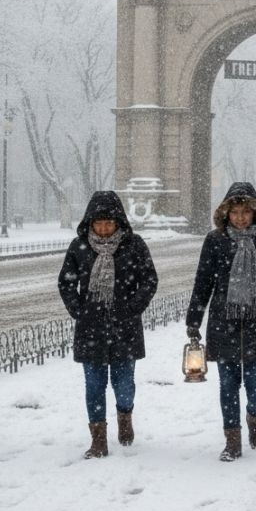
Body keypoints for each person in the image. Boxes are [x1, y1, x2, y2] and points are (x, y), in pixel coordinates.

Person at [186, 182, 256, 462]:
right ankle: (232, 439)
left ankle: (254, 416)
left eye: (246, 211)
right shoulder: (215, 240)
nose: (240, 217)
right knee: (228, 385)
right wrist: (194, 319)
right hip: (225, 321)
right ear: (226, 213)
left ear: (255, 213)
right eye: (235, 212)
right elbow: (203, 281)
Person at [59, 190, 159, 459]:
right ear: (90, 223)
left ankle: (125, 416)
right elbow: (66, 282)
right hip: (90, 328)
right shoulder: (79, 247)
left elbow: (149, 279)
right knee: (94, 385)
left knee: (124, 384)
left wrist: (132, 308)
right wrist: (79, 310)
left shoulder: (134, 245)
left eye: (109, 223)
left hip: (124, 328)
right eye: (98, 223)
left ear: (119, 223)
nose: (103, 229)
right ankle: (98, 439)